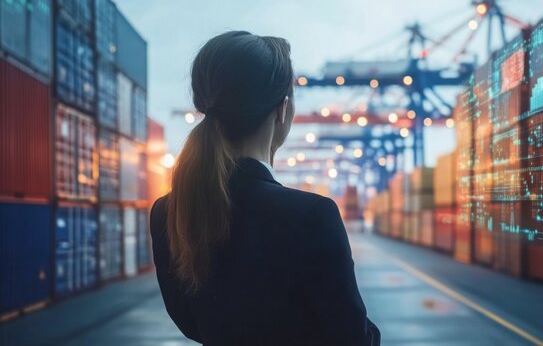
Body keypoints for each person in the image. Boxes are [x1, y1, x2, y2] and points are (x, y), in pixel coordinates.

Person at [150, 31, 380, 345]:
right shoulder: (312, 215)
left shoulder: (167, 211)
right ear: (283, 109)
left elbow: (191, 324)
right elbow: (353, 339)